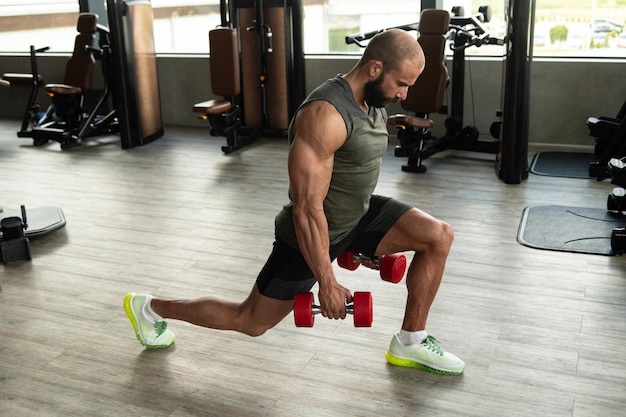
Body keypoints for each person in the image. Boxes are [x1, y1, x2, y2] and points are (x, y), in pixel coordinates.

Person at [124, 28, 465, 375]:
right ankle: (150, 307)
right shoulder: (325, 115)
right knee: (251, 321)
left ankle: (410, 342)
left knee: (438, 235)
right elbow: (306, 209)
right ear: (375, 68)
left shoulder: (375, 100)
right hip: (310, 233)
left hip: (358, 213)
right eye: (401, 84)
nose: (404, 94)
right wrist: (327, 282)